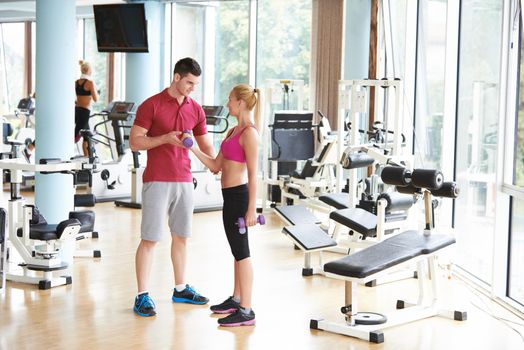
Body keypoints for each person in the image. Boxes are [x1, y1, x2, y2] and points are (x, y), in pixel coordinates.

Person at [130, 57, 215, 317]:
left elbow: (206, 146)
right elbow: (135, 142)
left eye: (196, 84)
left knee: (181, 237)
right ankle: (142, 295)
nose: (192, 87)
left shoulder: (196, 109)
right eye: (189, 82)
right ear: (176, 77)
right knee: (150, 239)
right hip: (157, 179)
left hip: (184, 180)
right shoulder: (151, 105)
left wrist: (219, 163)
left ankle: (180, 288)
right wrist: (165, 138)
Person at [189, 83, 260, 327]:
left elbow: (253, 175)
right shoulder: (232, 132)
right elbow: (216, 166)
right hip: (229, 197)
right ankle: (237, 298)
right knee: (236, 250)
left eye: (230, 99)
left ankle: (247, 310)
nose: (227, 103)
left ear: (241, 102)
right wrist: (193, 148)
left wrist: (252, 209)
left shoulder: (250, 133)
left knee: (243, 252)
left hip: (240, 197)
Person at [75, 60, 98, 156]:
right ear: (88, 70)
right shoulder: (90, 83)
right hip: (85, 111)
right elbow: (96, 99)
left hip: (77, 109)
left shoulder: (76, 82)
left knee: (86, 136)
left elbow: (78, 97)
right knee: (76, 134)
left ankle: (87, 158)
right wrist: (96, 91)